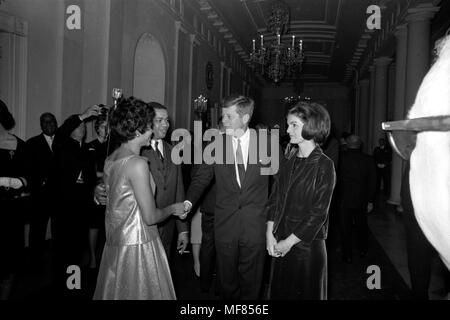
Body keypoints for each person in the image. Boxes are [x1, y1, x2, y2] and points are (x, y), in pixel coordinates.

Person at [185, 94, 279, 299]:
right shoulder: (216, 144)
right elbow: (201, 178)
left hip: (255, 224)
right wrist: (188, 201)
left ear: (245, 118)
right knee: (227, 282)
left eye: (228, 117)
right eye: (223, 116)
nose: (223, 121)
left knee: (252, 281)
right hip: (225, 224)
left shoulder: (267, 143)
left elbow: (280, 184)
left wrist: (274, 217)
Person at [93, 98, 186, 300]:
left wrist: (99, 190)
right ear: (137, 131)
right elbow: (151, 217)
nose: (152, 131)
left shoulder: (111, 159)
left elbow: (113, 198)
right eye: (148, 127)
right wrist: (174, 209)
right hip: (139, 244)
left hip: (116, 243)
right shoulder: (138, 163)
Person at [266, 101, 335, 300]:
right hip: (281, 242)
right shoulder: (289, 162)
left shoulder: (324, 165)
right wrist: (270, 235)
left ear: (311, 126)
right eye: (288, 124)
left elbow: (318, 214)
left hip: (307, 248)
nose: (288, 130)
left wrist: (288, 243)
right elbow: (274, 201)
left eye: (294, 125)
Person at [50, 105, 99, 298]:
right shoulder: (61, 145)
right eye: (79, 126)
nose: (83, 128)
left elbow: (90, 178)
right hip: (63, 208)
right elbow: (61, 131)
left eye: (84, 126)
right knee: (63, 250)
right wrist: (84, 115)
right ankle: (60, 288)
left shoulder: (87, 150)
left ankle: (73, 287)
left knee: (78, 251)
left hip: (81, 208)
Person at [141, 102, 188, 259]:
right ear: (147, 123)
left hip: (168, 228)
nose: (166, 125)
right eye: (159, 120)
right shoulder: (138, 151)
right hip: (144, 228)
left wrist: (183, 229)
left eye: (167, 120)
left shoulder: (173, 150)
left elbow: (178, 189)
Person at [0, 99, 29, 300]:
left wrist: (16, 181)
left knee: (7, 269)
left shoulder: (19, 145)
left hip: (9, 215)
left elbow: (30, 178)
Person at [337, 135, 376, 264]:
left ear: (347, 144)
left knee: (345, 228)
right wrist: (370, 200)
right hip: (361, 200)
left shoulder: (340, 158)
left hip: (344, 199)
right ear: (360, 145)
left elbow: (334, 180)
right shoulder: (368, 160)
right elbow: (373, 182)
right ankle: (363, 250)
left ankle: (347, 255)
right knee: (362, 227)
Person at [26, 113, 57, 266]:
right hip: (40, 196)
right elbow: (28, 170)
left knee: (58, 230)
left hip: (59, 195)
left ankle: (57, 261)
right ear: (41, 125)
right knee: (37, 231)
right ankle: (34, 262)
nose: (49, 124)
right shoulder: (32, 144)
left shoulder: (63, 142)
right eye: (45, 122)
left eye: (51, 121)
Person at [86, 113, 109, 269]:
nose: (106, 129)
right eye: (103, 126)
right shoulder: (91, 146)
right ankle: (93, 257)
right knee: (94, 224)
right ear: (97, 129)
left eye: (108, 126)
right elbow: (90, 172)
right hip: (96, 189)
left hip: (111, 188)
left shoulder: (113, 145)